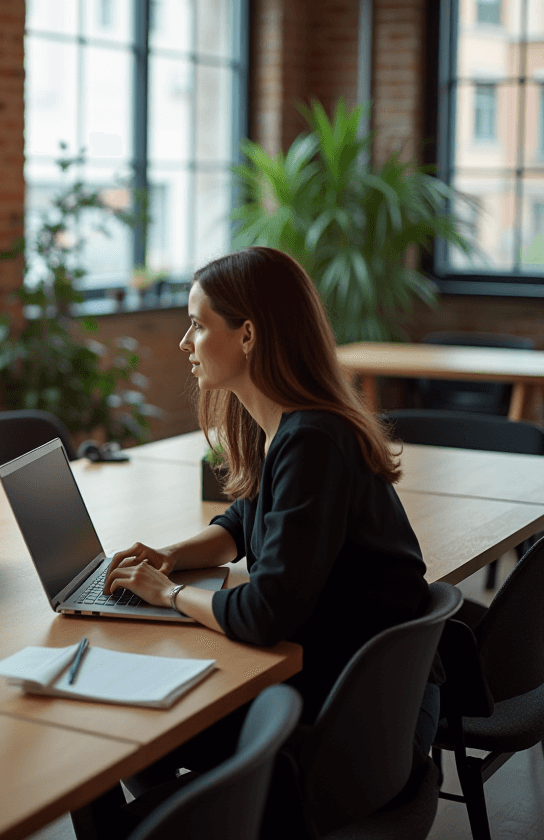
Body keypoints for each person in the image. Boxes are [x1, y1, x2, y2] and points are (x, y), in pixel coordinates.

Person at [104, 245, 436, 729]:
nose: (184, 343)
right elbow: (245, 520)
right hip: (345, 668)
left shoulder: (313, 442)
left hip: (359, 707)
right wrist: (171, 555)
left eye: (197, 325)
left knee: (139, 719)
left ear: (248, 335)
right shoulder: (284, 424)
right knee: (144, 712)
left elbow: (264, 613)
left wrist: (169, 594)